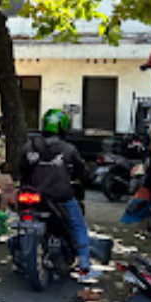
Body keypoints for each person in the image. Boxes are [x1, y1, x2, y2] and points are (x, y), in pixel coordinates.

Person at [23, 108, 100, 282]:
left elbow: (21, 169)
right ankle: (84, 267)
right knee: (79, 225)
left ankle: (18, 258)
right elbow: (82, 171)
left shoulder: (30, 146)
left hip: (32, 196)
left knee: (18, 221)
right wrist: (89, 178)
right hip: (60, 196)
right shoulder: (68, 149)